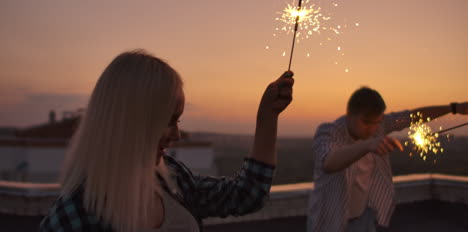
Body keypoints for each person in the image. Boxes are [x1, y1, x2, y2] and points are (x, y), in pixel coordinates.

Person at [39, 50, 294, 232]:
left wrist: (268, 117)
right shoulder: (73, 218)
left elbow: (246, 195)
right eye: (169, 120)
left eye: (178, 121)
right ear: (133, 120)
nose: (177, 134)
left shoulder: (172, 177)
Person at [307, 86, 468, 232]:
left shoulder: (380, 126)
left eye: (376, 122)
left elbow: (414, 116)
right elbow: (329, 163)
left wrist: (454, 108)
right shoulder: (329, 131)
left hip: (364, 218)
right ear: (350, 115)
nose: (372, 129)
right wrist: (368, 145)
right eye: (366, 122)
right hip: (328, 222)